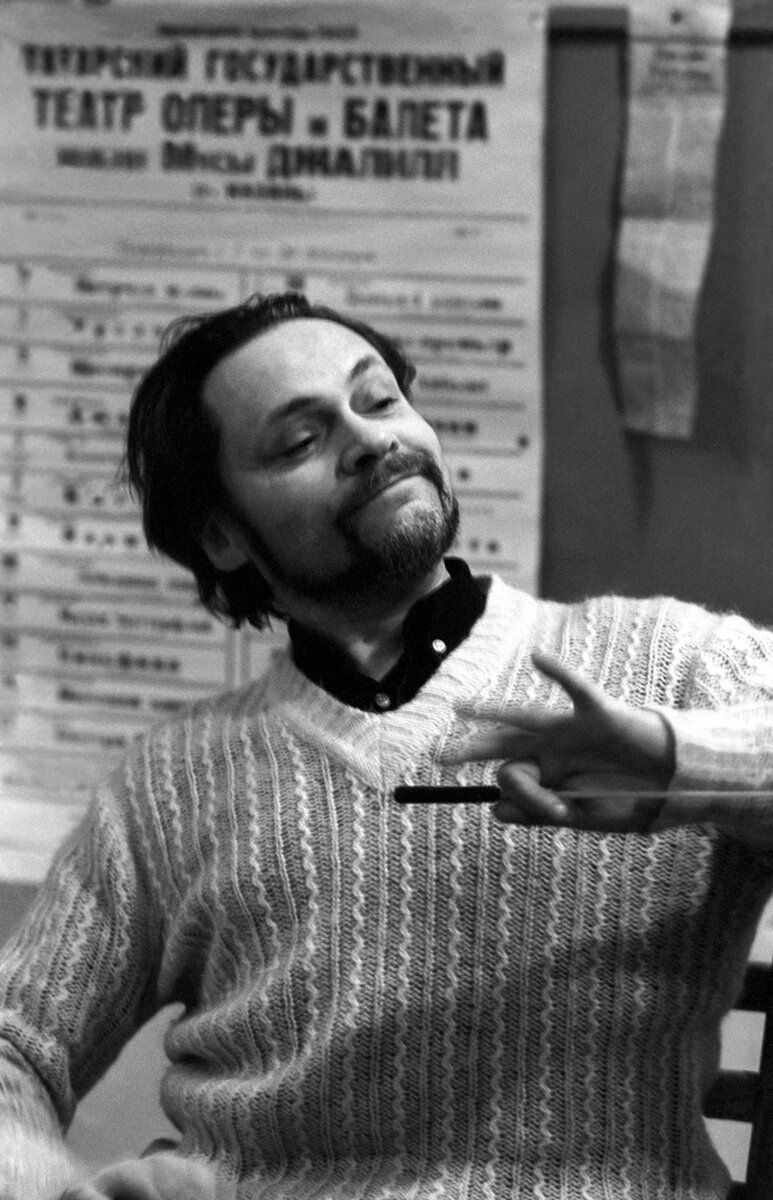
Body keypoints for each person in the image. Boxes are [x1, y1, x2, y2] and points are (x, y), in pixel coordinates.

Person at [2, 291, 773, 1200]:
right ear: (221, 535)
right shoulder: (169, 782)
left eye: (378, 400)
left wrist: (689, 761)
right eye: (300, 440)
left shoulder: (670, 666)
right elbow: (17, 1041)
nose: (370, 440)